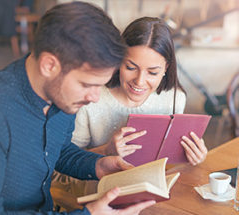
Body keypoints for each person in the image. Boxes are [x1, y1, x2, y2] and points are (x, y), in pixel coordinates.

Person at [0, 2, 156, 215]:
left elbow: (57, 149)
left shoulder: (61, 96)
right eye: (87, 85)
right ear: (49, 65)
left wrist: (97, 166)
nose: (95, 97)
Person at [51, 17, 208, 197]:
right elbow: (62, 165)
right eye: (130, 67)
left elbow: (170, 162)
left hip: (153, 193)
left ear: (166, 68)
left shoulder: (175, 98)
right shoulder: (92, 98)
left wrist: (194, 156)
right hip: (100, 195)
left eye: (153, 72)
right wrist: (105, 151)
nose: (139, 81)